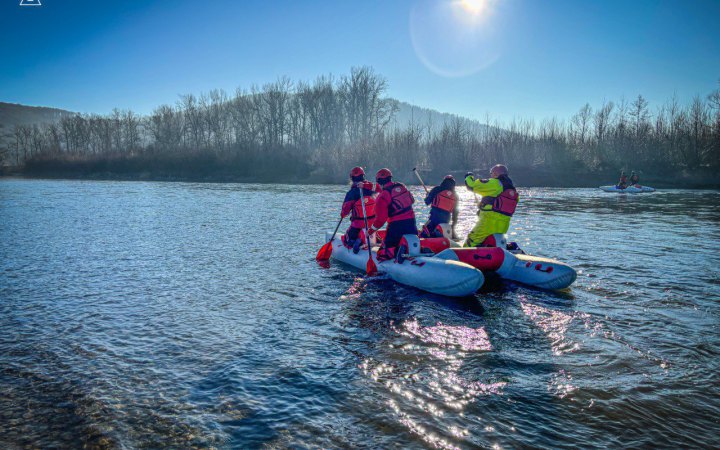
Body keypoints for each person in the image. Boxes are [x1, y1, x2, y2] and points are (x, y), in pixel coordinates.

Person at [463, 164, 519, 248]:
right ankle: (509, 249)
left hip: (488, 223)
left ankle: (463, 258)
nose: (491, 175)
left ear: (495, 173)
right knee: (493, 243)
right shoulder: (512, 190)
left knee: (471, 241)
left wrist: (469, 176)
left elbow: (471, 185)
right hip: (503, 226)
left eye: (491, 173)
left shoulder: (495, 183)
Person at [368, 168, 418, 261]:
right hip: (411, 223)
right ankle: (406, 249)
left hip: (396, 226)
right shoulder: (402, 186)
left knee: (382, 255)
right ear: (390, 178)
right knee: (411, 245)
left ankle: (397, 250)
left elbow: (380, 220)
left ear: (379, 181)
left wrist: (370, 231)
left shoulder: (382, 196)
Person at [340, 167, 377, 254]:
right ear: (363, 176)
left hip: (357, 225)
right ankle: (367, 239)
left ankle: (358, 240)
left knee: (347, 239)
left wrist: (342, 215)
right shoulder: (372, 189)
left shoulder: (351, 193)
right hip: (373, 224)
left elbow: (345, 212)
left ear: (352, 178)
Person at [420, 175, 459, 239]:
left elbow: (427, 202)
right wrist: (453, 225)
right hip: (446, 220)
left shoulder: (437, 189)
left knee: (425, 231)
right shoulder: (456, 195)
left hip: (434, 218)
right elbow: (455, 212)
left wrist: (428, 195)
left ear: (443, 181)